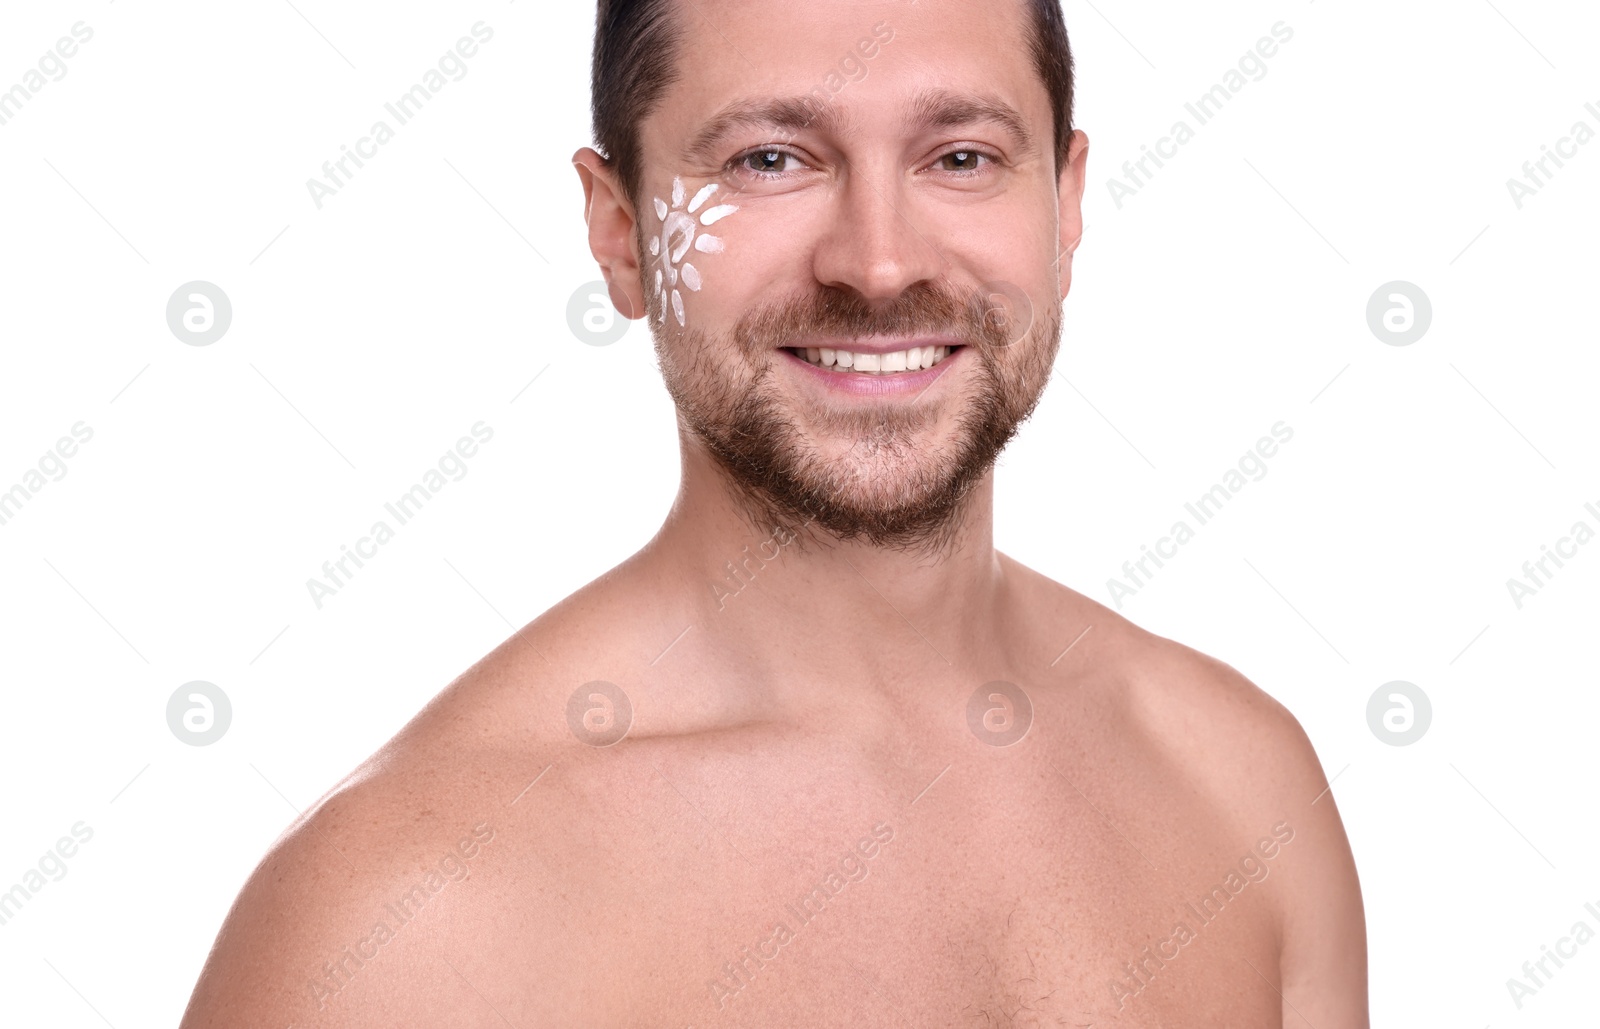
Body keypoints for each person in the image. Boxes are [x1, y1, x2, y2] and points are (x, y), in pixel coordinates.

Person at [180, 0, 1368, 1024]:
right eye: (768, 160)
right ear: (620, 232)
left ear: (1063, 205)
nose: (879, 264)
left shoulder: (1244, 790)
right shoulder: (405, 925)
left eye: (959, 156)